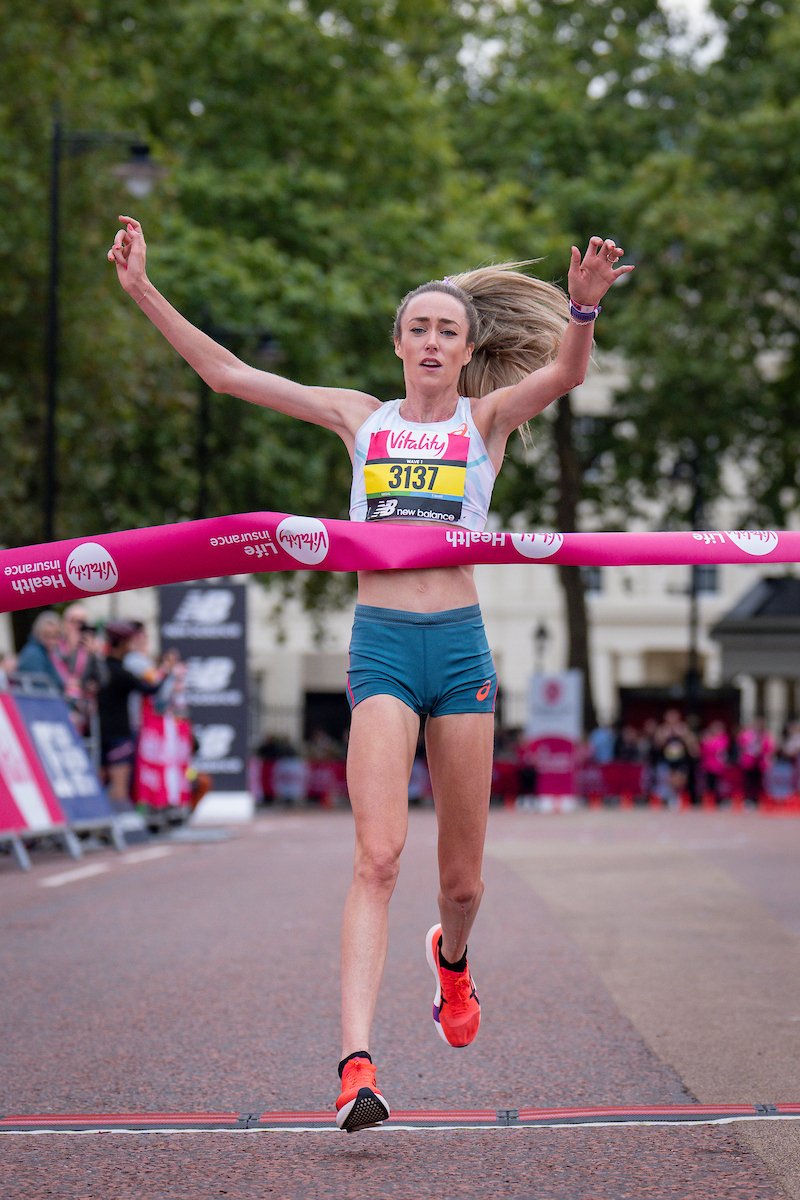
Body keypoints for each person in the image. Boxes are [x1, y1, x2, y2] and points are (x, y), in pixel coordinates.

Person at [108, 213, 633, 1133]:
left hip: (461, 649)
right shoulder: (361, 418)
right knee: (378, 856)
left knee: (461, 884)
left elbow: (564, 375)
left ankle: (454, 963)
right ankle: (356, 1066)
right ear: (398, 344)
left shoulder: (486, 419)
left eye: (448, 330)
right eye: (419, 328)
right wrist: (144, 289)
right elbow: (229, 376)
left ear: (469, 352)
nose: (432, 341)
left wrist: (582, 314)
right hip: (382, 646)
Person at [15, 611, 65, 694]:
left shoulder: (47, 653)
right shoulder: (33, 654)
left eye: (56, 636)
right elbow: (41, 691)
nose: (52, 641)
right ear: (37, 634)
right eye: (47, 635)